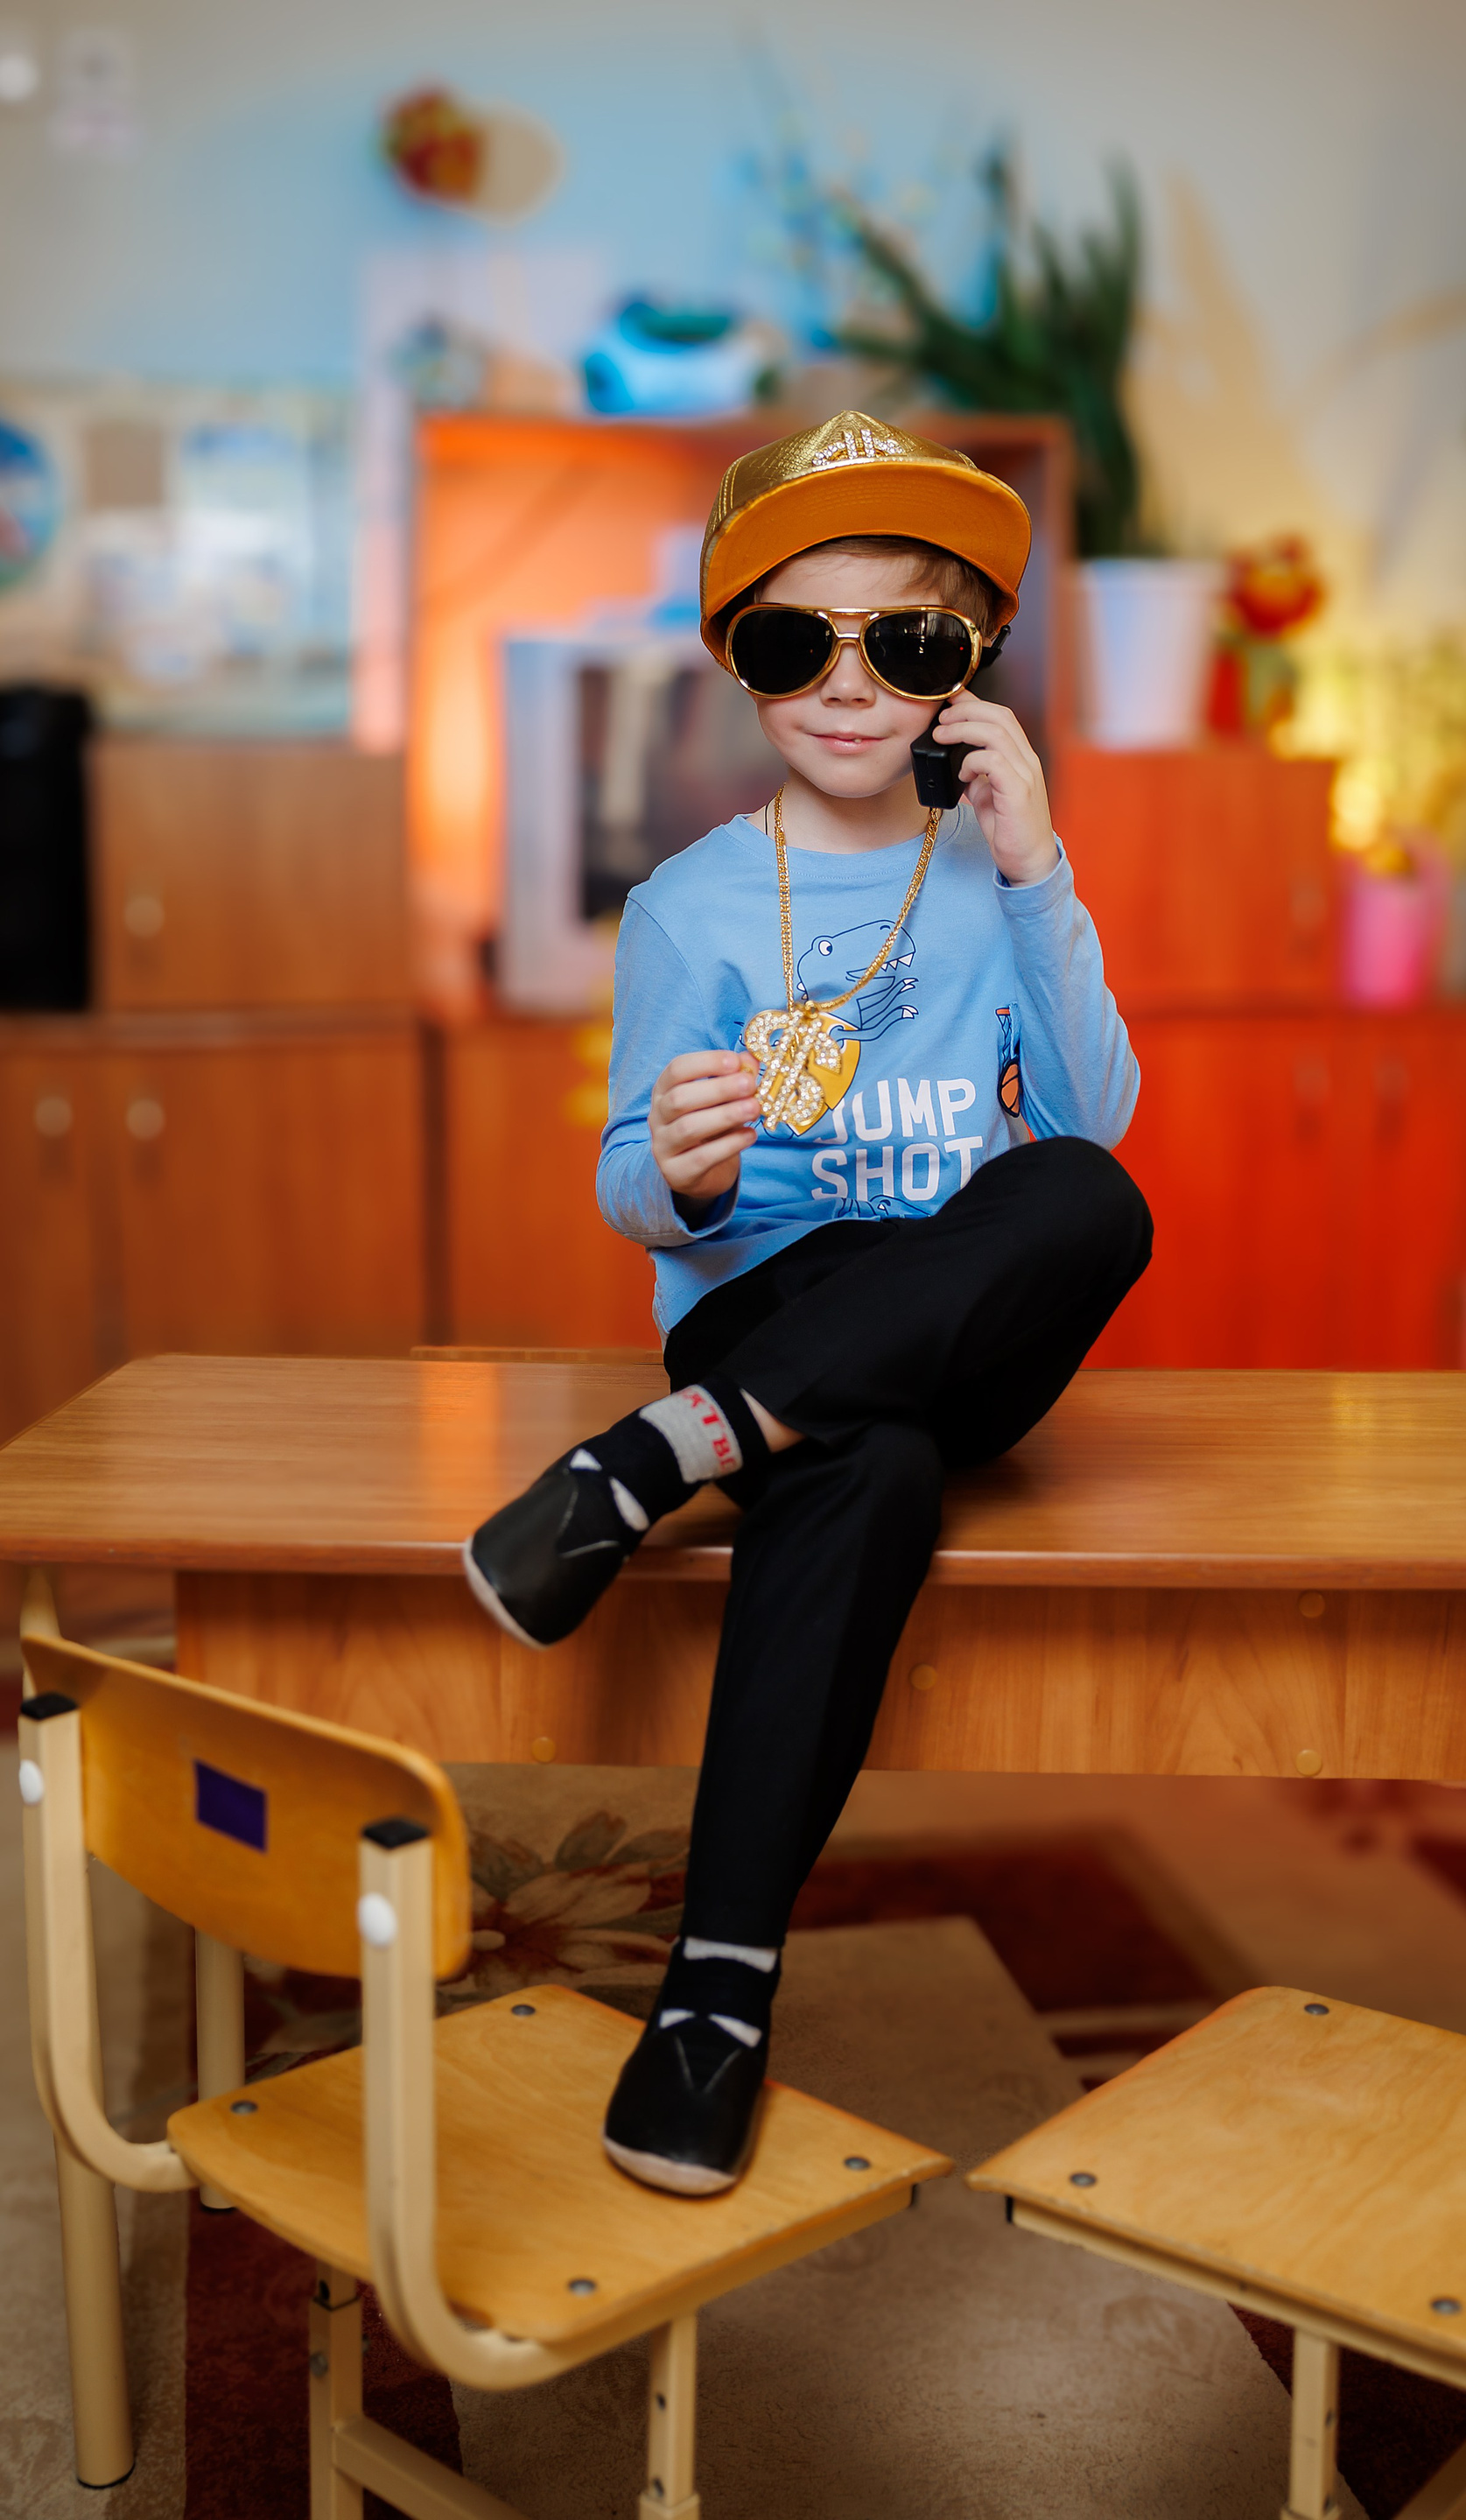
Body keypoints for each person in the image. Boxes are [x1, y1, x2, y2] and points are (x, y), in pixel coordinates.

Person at [466, 411, 1151, 2194]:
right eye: (795, 639)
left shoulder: (998, 878)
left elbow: (1091, 1123)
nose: (849, 685)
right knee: (878, 1466)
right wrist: (683, 1172)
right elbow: (630, 1180)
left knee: (1089, 1197)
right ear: (736, 656)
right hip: (767, 1314)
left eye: (905, 642)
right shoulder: (686, 907)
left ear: (965, 671)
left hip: (944, 1325)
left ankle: (645, 1465)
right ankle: (716, 1998)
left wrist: (1038, 865)